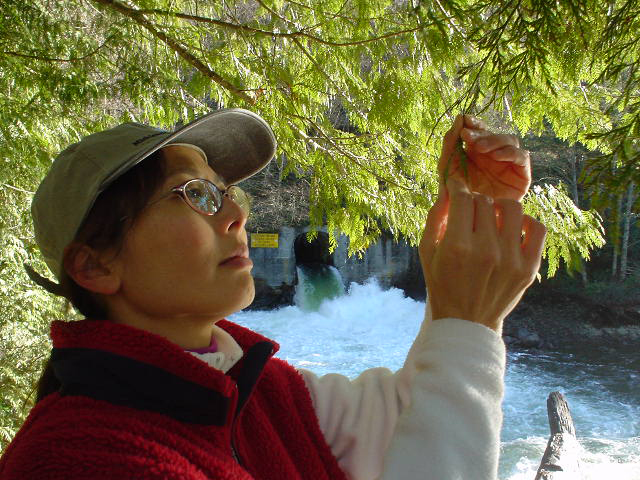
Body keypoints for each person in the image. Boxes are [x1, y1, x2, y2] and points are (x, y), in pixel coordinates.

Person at [0, 109, 545, 479]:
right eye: (195, 195)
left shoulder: (254, 386)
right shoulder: (78, 460)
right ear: (95, 266)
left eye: (227, 190)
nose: (238, 214)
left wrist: (473, 239)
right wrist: (468, 323)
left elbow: (407, 426)